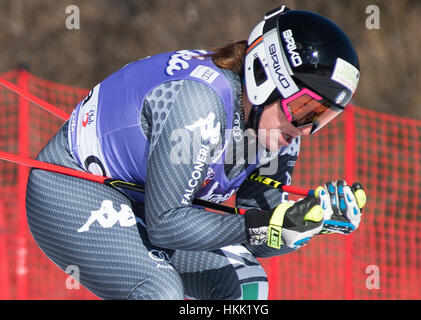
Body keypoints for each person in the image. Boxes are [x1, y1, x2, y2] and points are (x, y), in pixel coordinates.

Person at [25, 6, 366, 300]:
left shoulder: (280, 133)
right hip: (70, 188)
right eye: (304, 108)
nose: (306, 129)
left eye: (322, 116)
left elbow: (261, 236)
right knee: (161, 290)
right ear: (265, 76)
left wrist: (308, 222)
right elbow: (166, 224)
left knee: (247, 284)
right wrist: (261, 226)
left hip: (141, 203)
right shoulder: (198, 103)